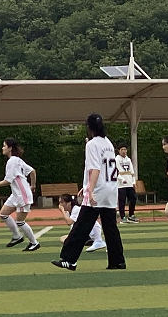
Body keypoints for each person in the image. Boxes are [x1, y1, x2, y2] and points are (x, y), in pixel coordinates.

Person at [52, 113, 125, 270]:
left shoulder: (92, 144)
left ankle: (69, 259)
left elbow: (95, 169)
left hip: (98, 190)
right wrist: (86, 186)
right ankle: (117, 261)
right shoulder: (108, 143)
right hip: (110, 188)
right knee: (110, 227)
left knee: (81, 226)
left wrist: (90, 190)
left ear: (89, 127)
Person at [0, 138, 40, 251]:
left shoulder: (12, 161)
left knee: (20, 221)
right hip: (16, 194)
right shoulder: (17, 160)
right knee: (3, 214)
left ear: (10, 148)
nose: (2, 148)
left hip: (22, 195)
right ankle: (17, 236)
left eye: (4, 146)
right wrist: (33, 185)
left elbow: (8, 180)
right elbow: (32, 171)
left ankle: (34, 243)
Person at [115, 144, 138, 223]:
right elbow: (115, 172)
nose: (124, 151)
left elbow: (132, 172)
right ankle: (123, 217)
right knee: (122, 201)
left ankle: (131, 215)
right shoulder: (116, 159)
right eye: (122, 150)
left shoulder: (128, 159)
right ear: (119, 151)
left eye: (125, 149)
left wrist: (133, 181)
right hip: (121, 185)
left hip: (129, 184)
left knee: (133, 198)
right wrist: (122, 179)